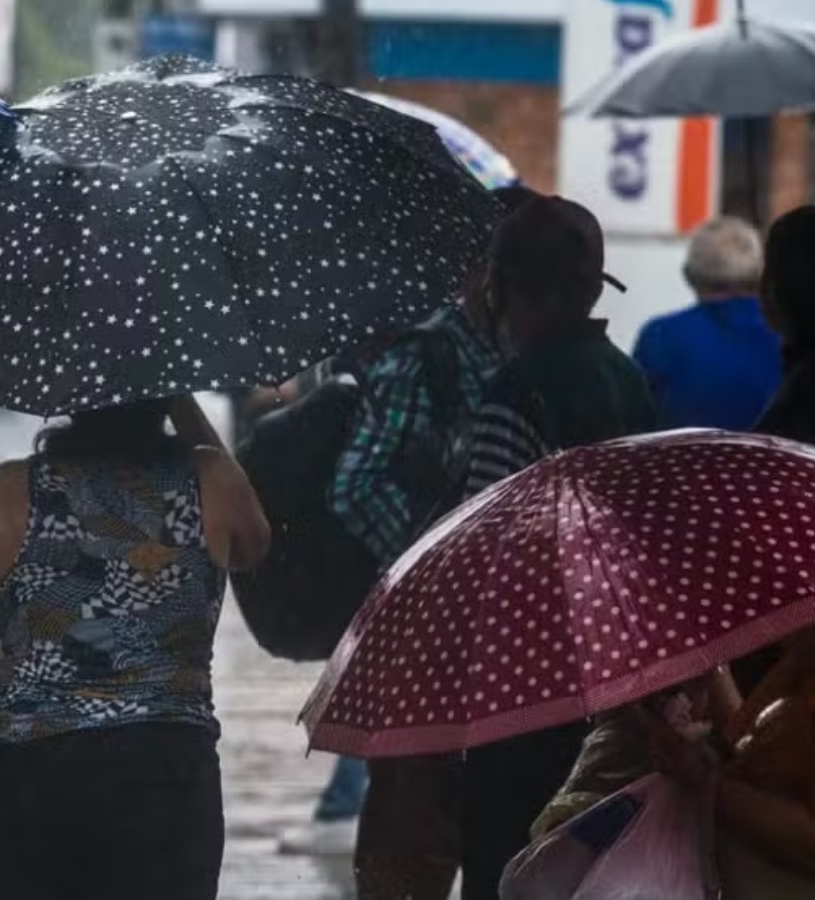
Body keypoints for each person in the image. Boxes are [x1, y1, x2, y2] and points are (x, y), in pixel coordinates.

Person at [0, 396, 268, 900]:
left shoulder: (7, 493)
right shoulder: (212, 480)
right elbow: (255, 545)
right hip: (165, 774)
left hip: (28, 780)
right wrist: (183, 405)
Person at [649, 206, 815, 900]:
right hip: (814, 637)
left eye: (775, 275)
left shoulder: (810, 401)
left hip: (810, 643)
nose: (763, 292)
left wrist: (704, 776)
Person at [301, 188, 537, 884]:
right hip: (428, 638)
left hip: (516, 638)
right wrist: (429, 567)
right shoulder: (424, 356)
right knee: (413, 835)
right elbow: (355, 485)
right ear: (481, 271)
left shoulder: (534, 356)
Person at [457, 195, 657, 900]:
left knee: (507, 863)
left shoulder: (514, 391)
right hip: (614, 675)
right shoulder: (628, 380)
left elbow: (482, 546)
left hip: (523, 679)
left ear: (511, 290)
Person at [632, 216, 781, 430]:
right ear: (761, 274)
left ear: (688, 276)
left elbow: (634, 431)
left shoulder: (660, 337)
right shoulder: (794, 338)